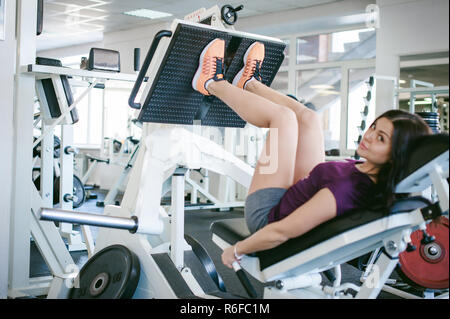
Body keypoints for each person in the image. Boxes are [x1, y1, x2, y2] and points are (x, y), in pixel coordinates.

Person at [191, 38, 432, 269]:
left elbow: (281, 231)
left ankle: (211, 83)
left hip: (268, 214)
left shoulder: (344, 190)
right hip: (300, 192)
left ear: (396, 154)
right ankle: (248, 83)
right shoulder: (369, 171)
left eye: (381, 138)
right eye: (373, 128)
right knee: (309, 118)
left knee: (282, 118)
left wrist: (236, 250)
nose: (368, 136)